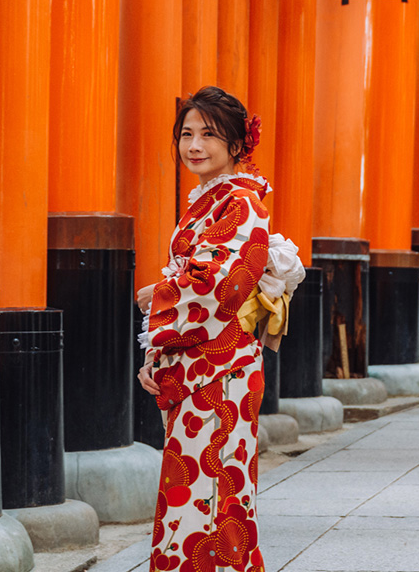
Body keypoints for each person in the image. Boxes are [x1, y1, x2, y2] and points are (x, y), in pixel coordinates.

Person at [136, 86, 304, 572]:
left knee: (211, 496)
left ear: (236, 145)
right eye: (186, 134)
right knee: (191, 497)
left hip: (222, 372)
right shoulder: (208, 201)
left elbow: (222, 285)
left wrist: (160, 293)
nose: (194, 145)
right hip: (197, 364)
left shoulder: (242, 203)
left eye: (209, 135)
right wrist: (156, 356)